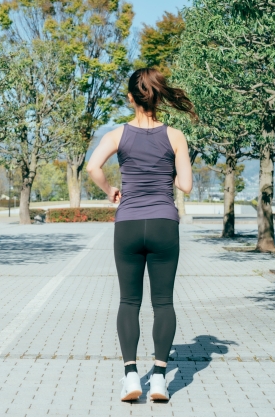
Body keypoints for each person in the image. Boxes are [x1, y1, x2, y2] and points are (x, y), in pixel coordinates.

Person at [87, 68, 195, 402]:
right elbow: (186, 185)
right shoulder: (175, 136)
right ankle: (160, 379)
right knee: (163, 302)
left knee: (128, 301)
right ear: (159, 97)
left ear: (131, 97)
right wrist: (174, 172)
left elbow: (93, 167)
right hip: (164, 223)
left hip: (128, 224)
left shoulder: (117, 135)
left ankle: (132, 377)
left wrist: (110, 190)